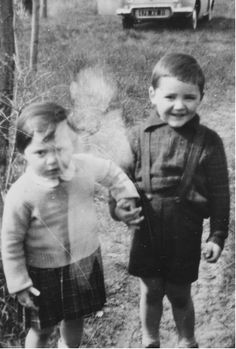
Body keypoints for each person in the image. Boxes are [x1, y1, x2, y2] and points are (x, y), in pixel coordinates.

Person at [111, 53, 230, 348]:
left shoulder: (209, 141)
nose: (180, 105)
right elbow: (118, 183)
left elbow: (220, 193)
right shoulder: (136, 137)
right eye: (170, 96)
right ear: (152, 95)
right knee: (150, 290)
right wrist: (119, 210)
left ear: (201, 96)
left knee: (179, 292)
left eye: (189, 97)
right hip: (146, 231)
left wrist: (217, 235)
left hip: (184, 231)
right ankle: (150, 340)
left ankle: (186, 340)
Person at [1, 102, 142, 348]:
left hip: (83, 262)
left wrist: (126, 194)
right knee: (41, 328)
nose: (53, 160)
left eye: (60, 149)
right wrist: (18, 282)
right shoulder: (21, 193)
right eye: (41, 153)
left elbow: (112, 172)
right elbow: (10, 242)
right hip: (41, 273)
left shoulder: (83, 166)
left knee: (75, 318)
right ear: (24, 153)